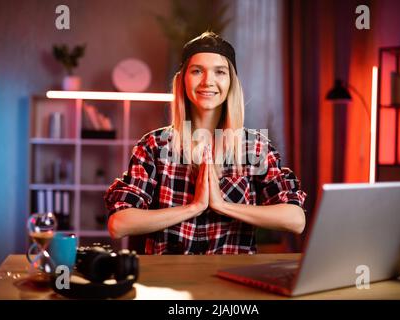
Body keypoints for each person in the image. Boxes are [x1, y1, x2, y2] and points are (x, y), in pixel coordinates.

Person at [104, 31, 307, 254]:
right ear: (182, 80)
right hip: (168, 282)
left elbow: (295, 220)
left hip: (233, 279)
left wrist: (222, 206)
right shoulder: (154, 146)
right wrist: (194, 207)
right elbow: (119, 224)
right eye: (197, 71)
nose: (208, 81)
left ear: (231, 83)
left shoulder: (254, 147)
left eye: (220, 72)